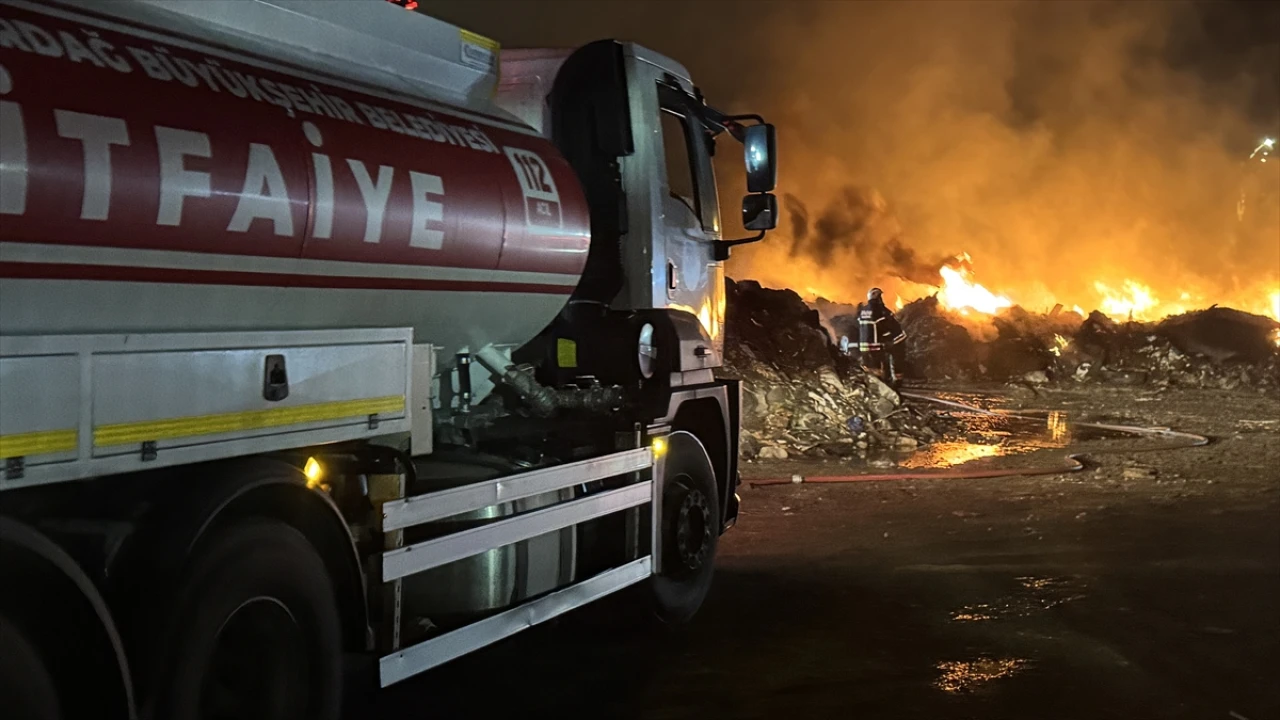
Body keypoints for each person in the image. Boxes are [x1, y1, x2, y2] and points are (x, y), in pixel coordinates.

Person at [856, 287, 907, 385]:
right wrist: (893, 338)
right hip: (876, 346)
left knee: (873, 371)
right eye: (880, 297)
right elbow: (891, 326)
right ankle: (897, 380)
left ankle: (875, 384)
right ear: (878, 297)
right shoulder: (881, 311)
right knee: (898, 350)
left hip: (864, 347)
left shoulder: (863, 311)